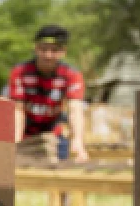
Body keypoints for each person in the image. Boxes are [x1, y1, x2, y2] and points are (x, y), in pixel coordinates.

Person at [9, 24, 88, 162]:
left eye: (54, 50)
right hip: (26, 135)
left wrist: (78, 141)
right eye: (43, 49)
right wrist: (16, 143)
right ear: (36, 48)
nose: (48, 55)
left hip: (54, 135)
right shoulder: (20, 72)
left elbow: (75, 109)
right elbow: (17, 110)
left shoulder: (71, 75)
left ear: (63, 52)